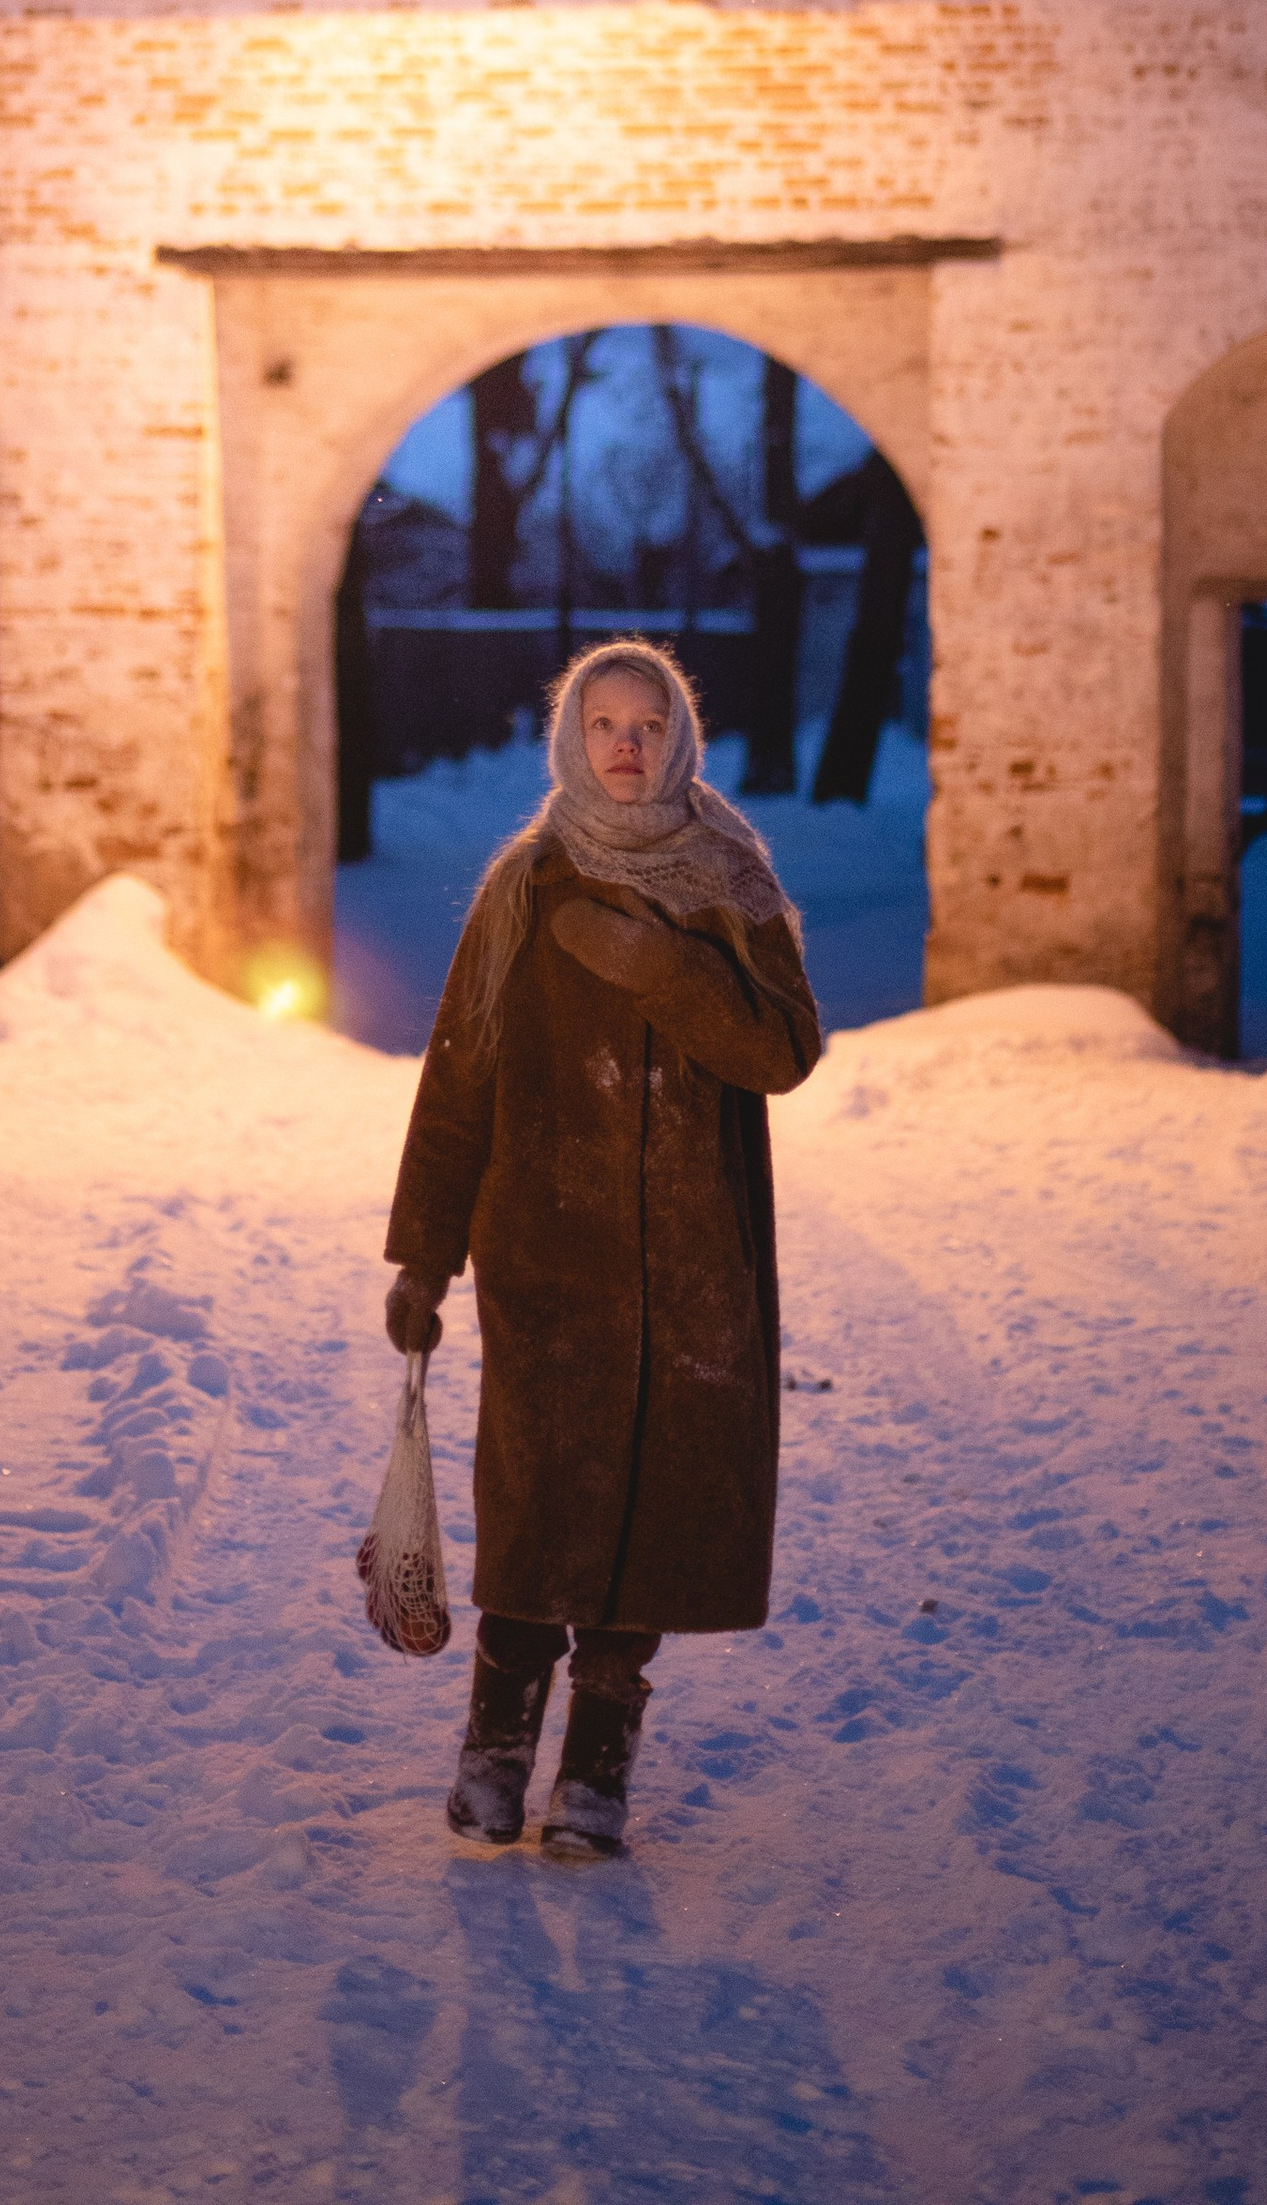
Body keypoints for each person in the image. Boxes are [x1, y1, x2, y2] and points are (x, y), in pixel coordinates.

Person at [382, 635, 822, 1861]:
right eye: (602, 726)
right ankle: (493, 1755)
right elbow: (457, 1075)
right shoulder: (524, 883)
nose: (625, 747)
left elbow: (783, 1054)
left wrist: (664, 965)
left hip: (693, 1270)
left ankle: (595, 1774)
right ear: (569, 741)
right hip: (548, 1260)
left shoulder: (729, 876)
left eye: (646, 725)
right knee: (537, 1507)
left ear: (678, 736)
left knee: (657, 1516)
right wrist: (425, 1254)